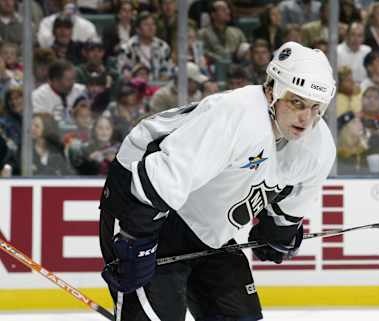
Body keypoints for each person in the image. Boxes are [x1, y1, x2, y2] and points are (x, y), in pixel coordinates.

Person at [99, 41, 336, 321]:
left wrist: (277, 235)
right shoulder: (237, 115)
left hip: (211, 231)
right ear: (272, 90)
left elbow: (288, 211)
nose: (306, 118)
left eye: (315, 107)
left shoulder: (318, 147)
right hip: (148, 204)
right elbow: (160, 178)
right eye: (297, 102)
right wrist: (135, 242)